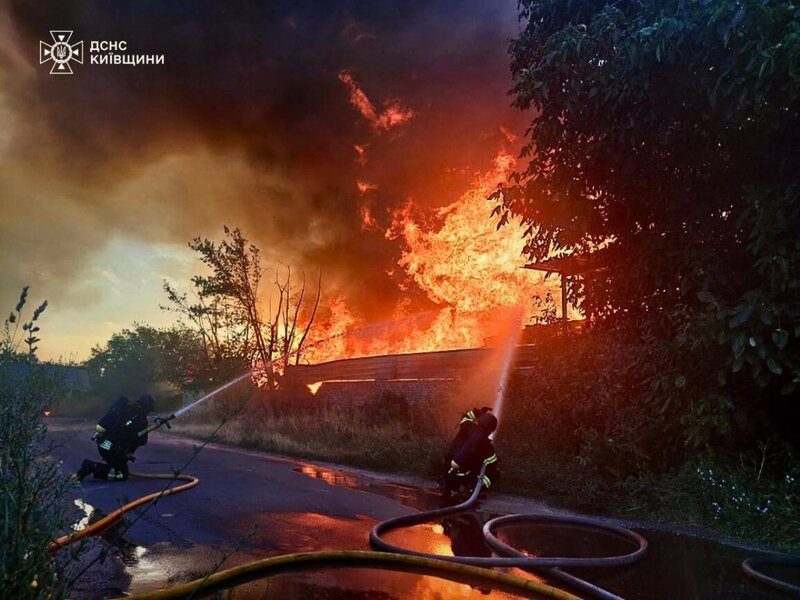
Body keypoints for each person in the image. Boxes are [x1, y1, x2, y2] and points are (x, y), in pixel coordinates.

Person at [76, 393, 155, 482]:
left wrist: (127, 453)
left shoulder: (127, 410)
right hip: (112, 449)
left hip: (103, 443)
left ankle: (100, 466)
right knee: (121, 475)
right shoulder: (140, 419)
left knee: (119, 466)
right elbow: (141, 441)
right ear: (147, 406)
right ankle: (91, 467)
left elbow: (126, 435)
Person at [440, 406, 499, 498]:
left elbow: (466, 417)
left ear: (478, 422)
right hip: (465, 477)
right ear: (490, 430)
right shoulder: (487, 447)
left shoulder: (467, 426)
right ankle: (473, 488)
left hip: (449, 471)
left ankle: (445, 483)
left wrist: (478, 412)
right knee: (494, 474)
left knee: (449, 461)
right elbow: (492, 466)